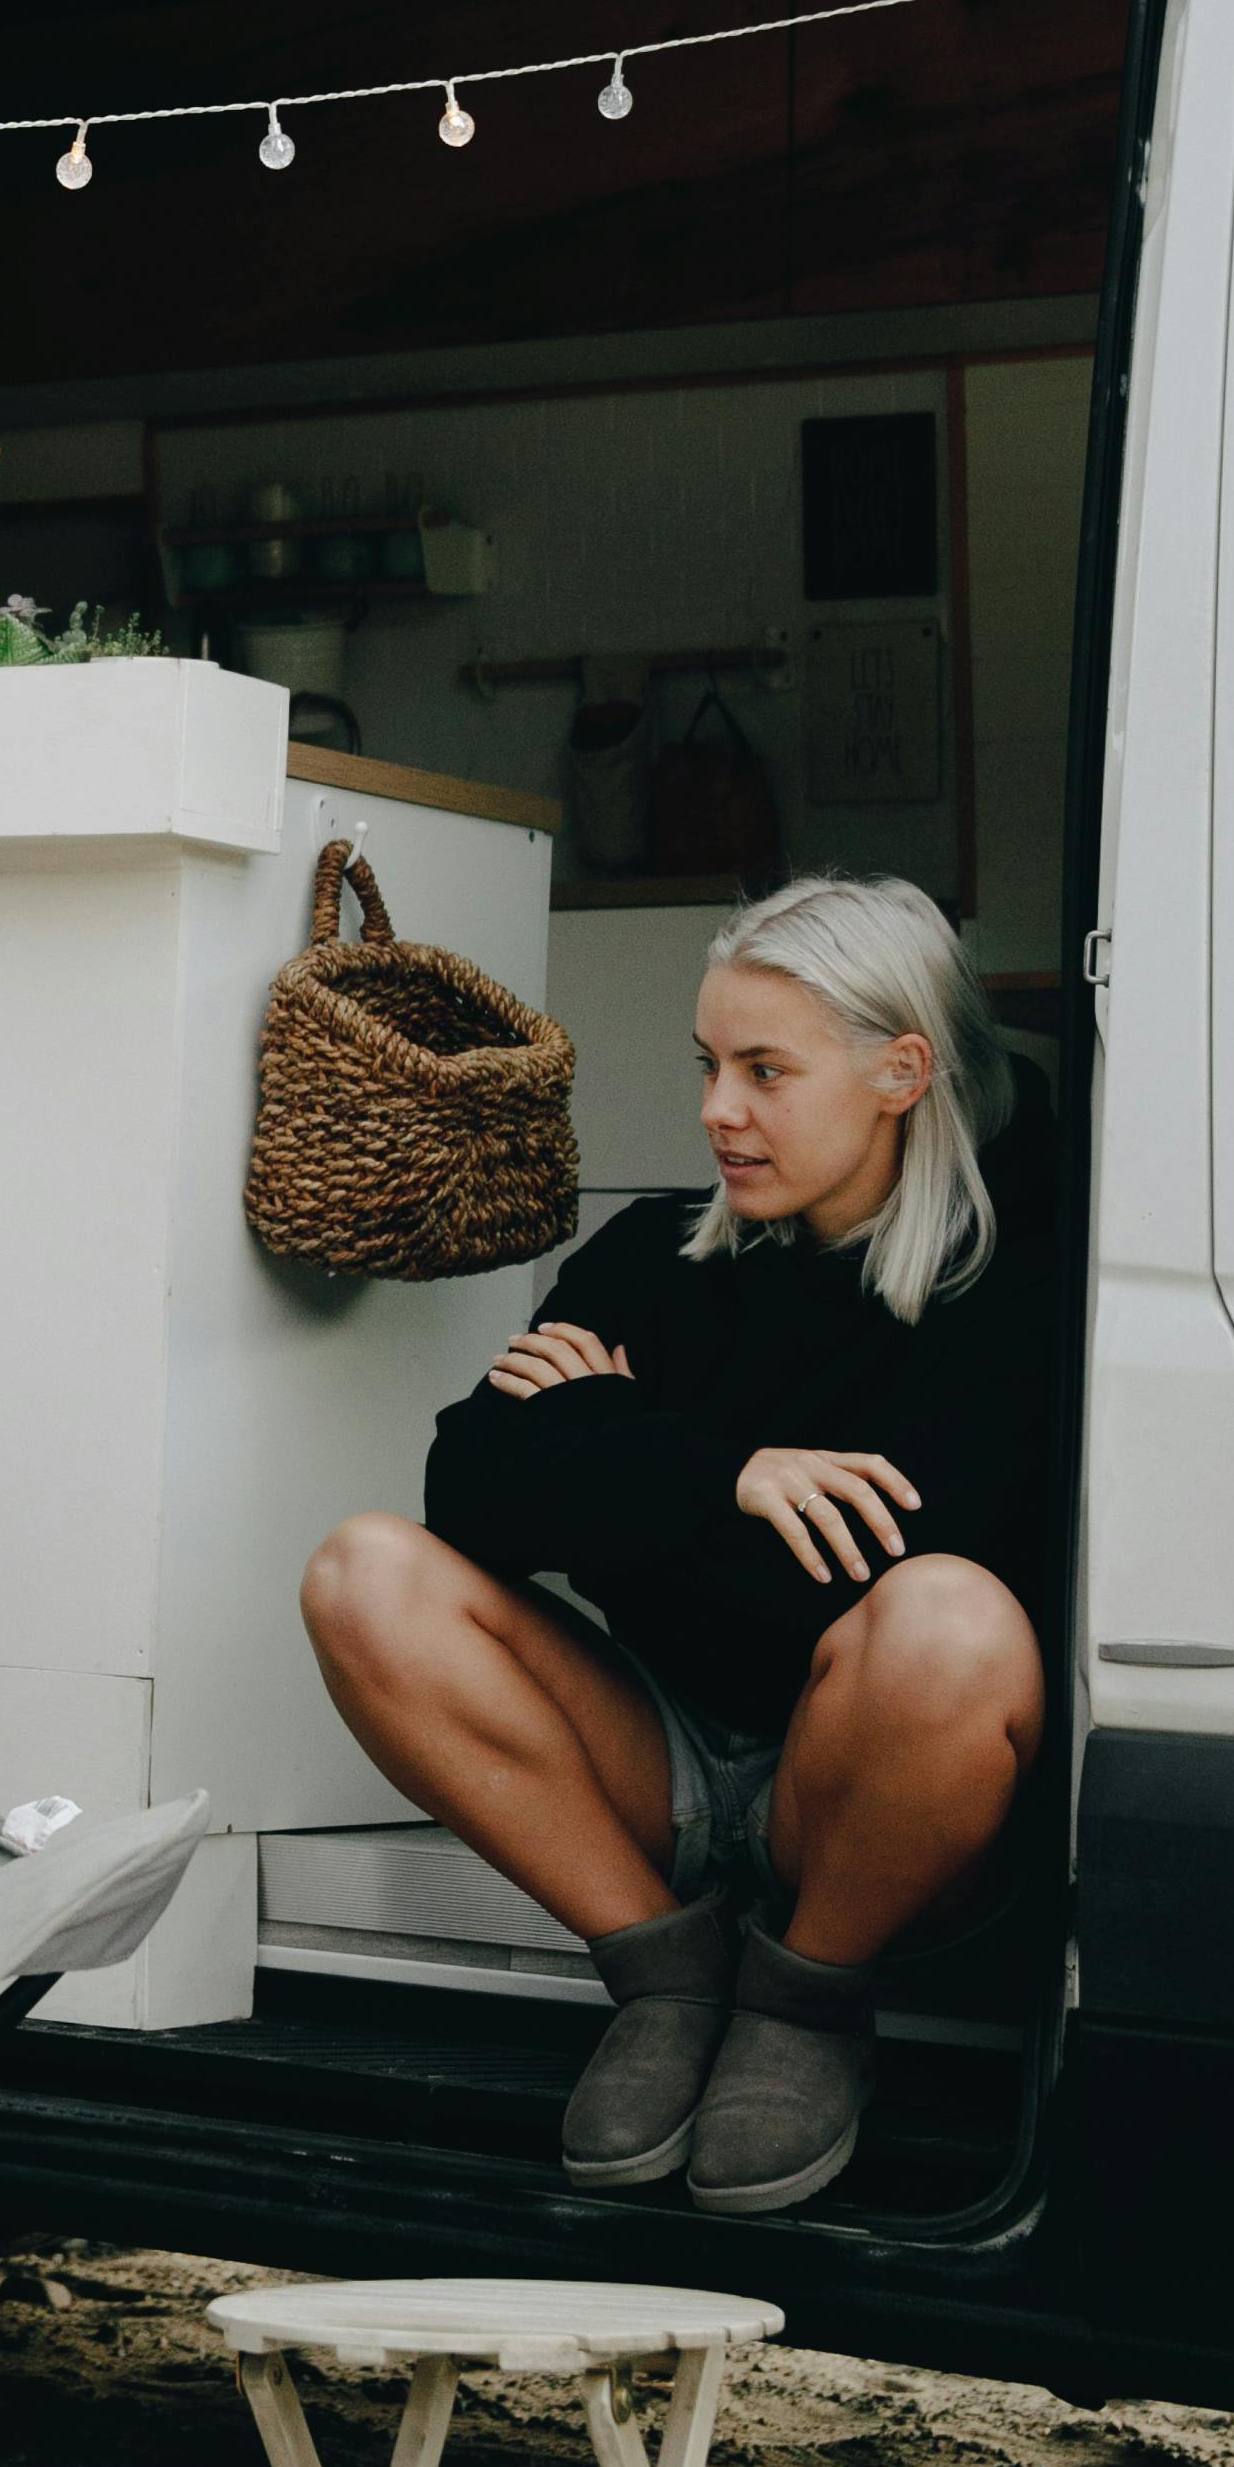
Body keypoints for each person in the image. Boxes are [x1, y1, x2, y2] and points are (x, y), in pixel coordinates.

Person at [299, 873, 1055, 2219]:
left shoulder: (1014, 1279)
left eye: (766, 1070)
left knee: (949, 1621)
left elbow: (882, 1569)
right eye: (710, 1064)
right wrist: (729, 1477)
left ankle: (804, 2002)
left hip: (870, 1806)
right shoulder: (661, 1251)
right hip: (671, 1762)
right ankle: (669, 1976)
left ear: (902, 1071)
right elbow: (465, 1489)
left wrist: (603, 1437)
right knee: (366, 1573)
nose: (718, 1110)